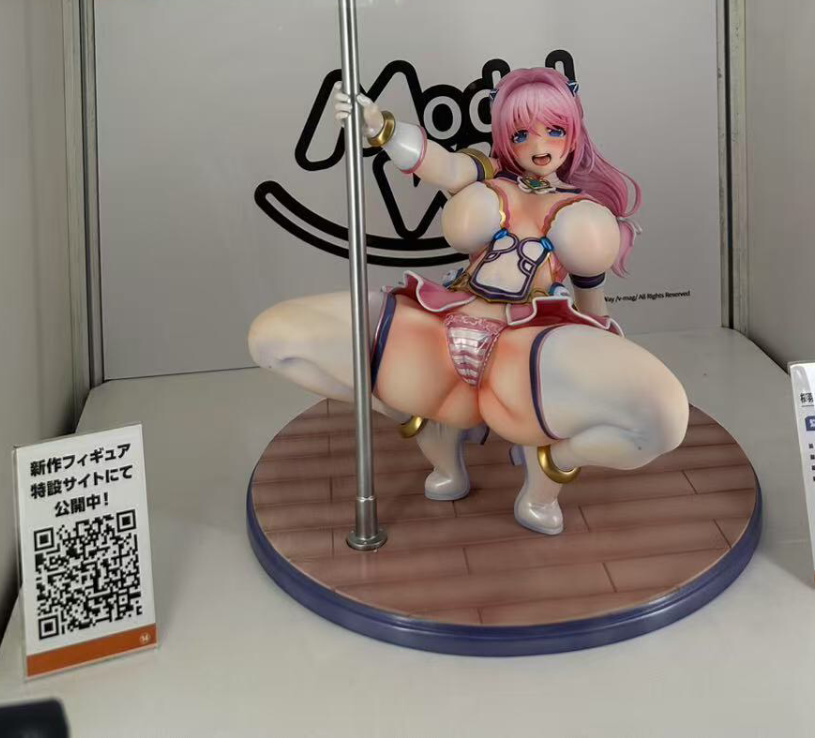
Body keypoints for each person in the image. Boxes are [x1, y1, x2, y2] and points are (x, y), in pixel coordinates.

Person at [248, 66, 688, 534]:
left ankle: (549, 472)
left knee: (659, 416)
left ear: (573, 131)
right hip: (446, 321)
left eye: (554, 130)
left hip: (529, 345)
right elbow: (439, 164)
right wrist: (381, 128)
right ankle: (422, 429)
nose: (539, 146)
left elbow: (592, 303)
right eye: (521, 133)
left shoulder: (586, 210)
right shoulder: (488, 171)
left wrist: (607, 366)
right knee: (273, 339)